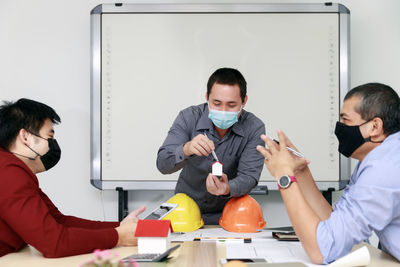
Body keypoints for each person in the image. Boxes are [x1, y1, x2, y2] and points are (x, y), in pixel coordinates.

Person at [257, 83, 400, 264]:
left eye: (345, 120)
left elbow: (323, 250)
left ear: (375, 127)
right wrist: (300, 173)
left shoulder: (383, 168)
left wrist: (284, 176)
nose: (339, 128)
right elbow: (334, 226)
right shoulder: (380, 158)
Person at [0, 98, 146, 258]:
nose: (52, 145)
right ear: (25, 137)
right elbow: (53, 242)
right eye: (49, 136)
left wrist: (120, 227)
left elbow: (59, 221)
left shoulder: (13, 169)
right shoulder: (8, 171)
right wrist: (118, 236)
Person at [157, 68, 265, 224]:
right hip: (185, 213)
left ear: (244, 101)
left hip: (230, 215)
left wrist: (227, 188)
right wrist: (186, 149)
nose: (223, 111)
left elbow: (249, 176)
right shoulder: (188, 118)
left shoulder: (254, 128)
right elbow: (162, 164)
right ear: (207, 97)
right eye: (216, 103)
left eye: (231, 105)